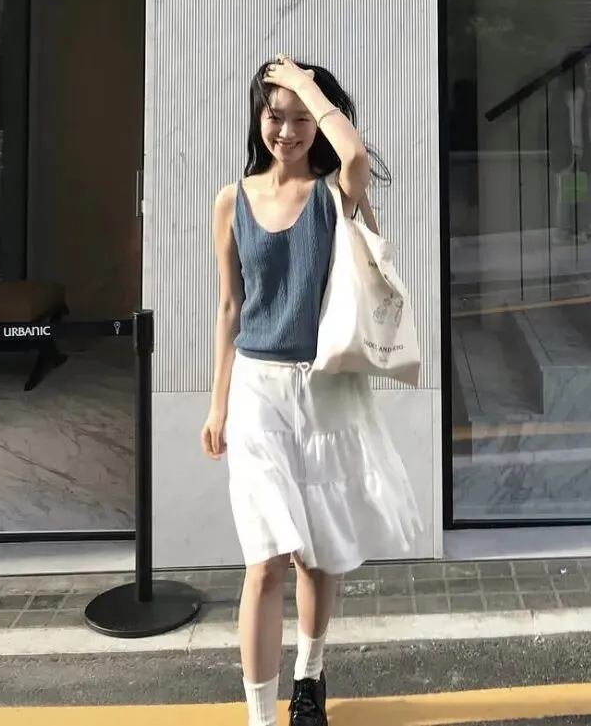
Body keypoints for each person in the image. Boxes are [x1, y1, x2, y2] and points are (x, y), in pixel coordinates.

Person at [201, 55, 422, 726]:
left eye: (301, 117)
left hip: (325, 391)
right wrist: (217, 402)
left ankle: (309, 674)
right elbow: (230, 307)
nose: (288, 130)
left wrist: (301, 82)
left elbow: (353, 153)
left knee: (317, 553)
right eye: (276, 115)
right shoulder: (232, 200)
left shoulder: (333, 194)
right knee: (265, 560)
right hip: (257, 393)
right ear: (257, 118)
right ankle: (261, 718)